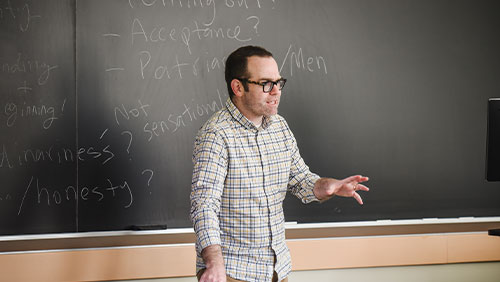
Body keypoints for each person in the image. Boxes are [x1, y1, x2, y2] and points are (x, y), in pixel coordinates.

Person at [190, 45, 369, 282]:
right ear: (238, 87)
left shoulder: (280, 127)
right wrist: (214, 264)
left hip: (277, 269)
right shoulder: (216, 135)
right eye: (266, 83)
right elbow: (204, 205)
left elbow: (300, 180)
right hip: (232, 271)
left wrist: (327, 187)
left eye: (278, 82)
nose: (276, 91)